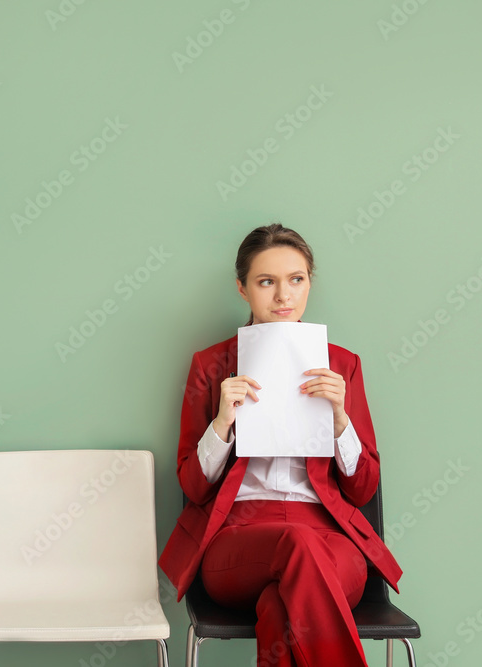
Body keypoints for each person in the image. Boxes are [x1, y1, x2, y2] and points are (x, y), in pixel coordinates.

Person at [158, 223, 403, 667]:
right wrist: (222, 422)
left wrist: (339, 419)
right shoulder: (212, 366)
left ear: (310, 282)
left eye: (296, 279)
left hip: (330, 539)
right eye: (266, 281)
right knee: (296, 543)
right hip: (238, 540)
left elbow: (363, 490)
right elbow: (194, 488)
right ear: (242, 288)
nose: (283, 296)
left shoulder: (342, 365)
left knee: (280, 607)